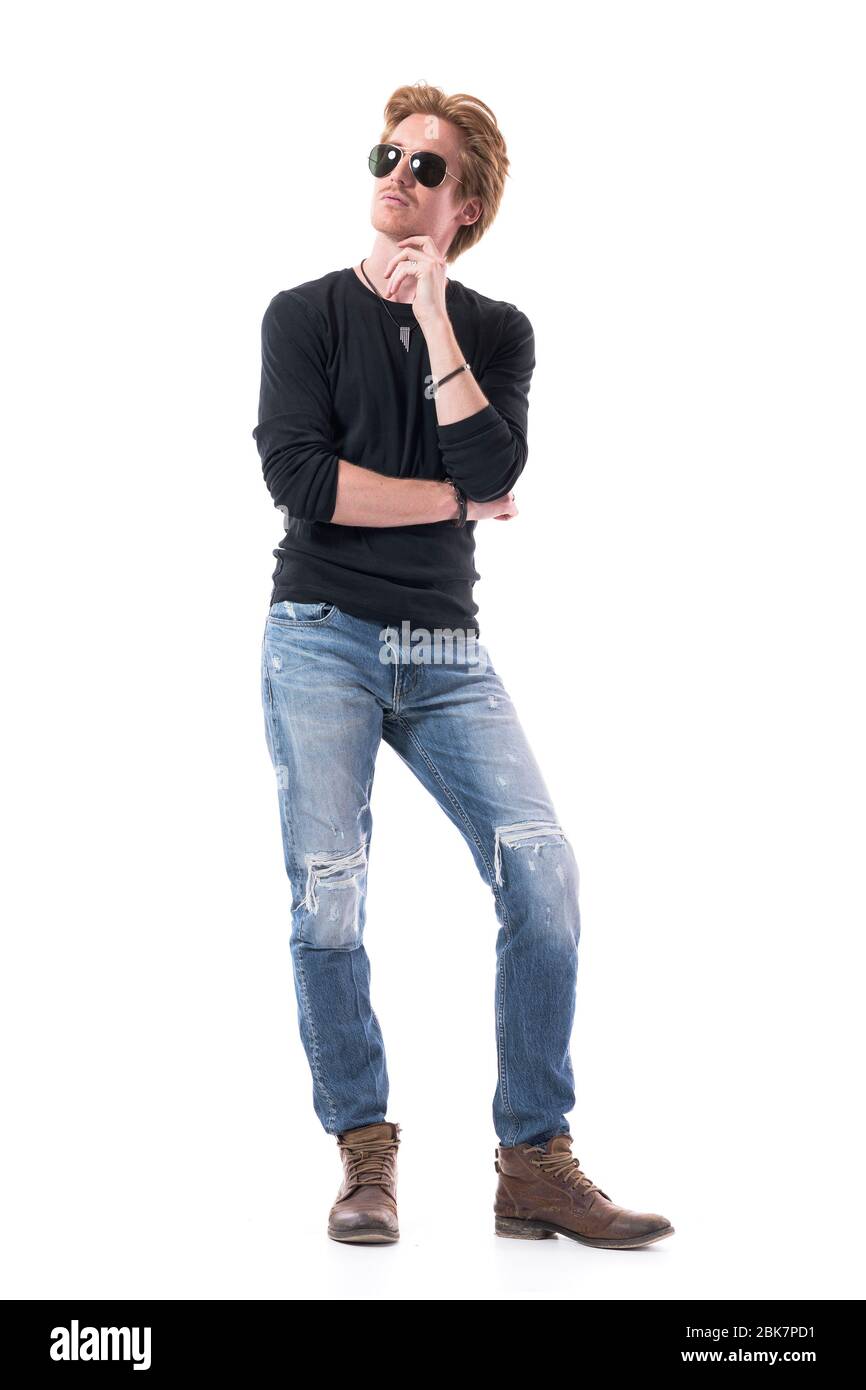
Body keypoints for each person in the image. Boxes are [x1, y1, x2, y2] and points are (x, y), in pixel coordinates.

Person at [252, 82, 674, 1250]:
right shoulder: (302, 316)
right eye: (388, 153)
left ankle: (533, 1160)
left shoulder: (494, 332)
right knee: (328, 898)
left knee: (542, 876)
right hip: (320, 634)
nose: (396, 174)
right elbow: (308, 484)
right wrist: (459, 498)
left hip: (444, 650)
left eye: (425, 168)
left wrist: (435, 318)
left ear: (465, 205)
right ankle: (365, 1156)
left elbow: (496, 451)